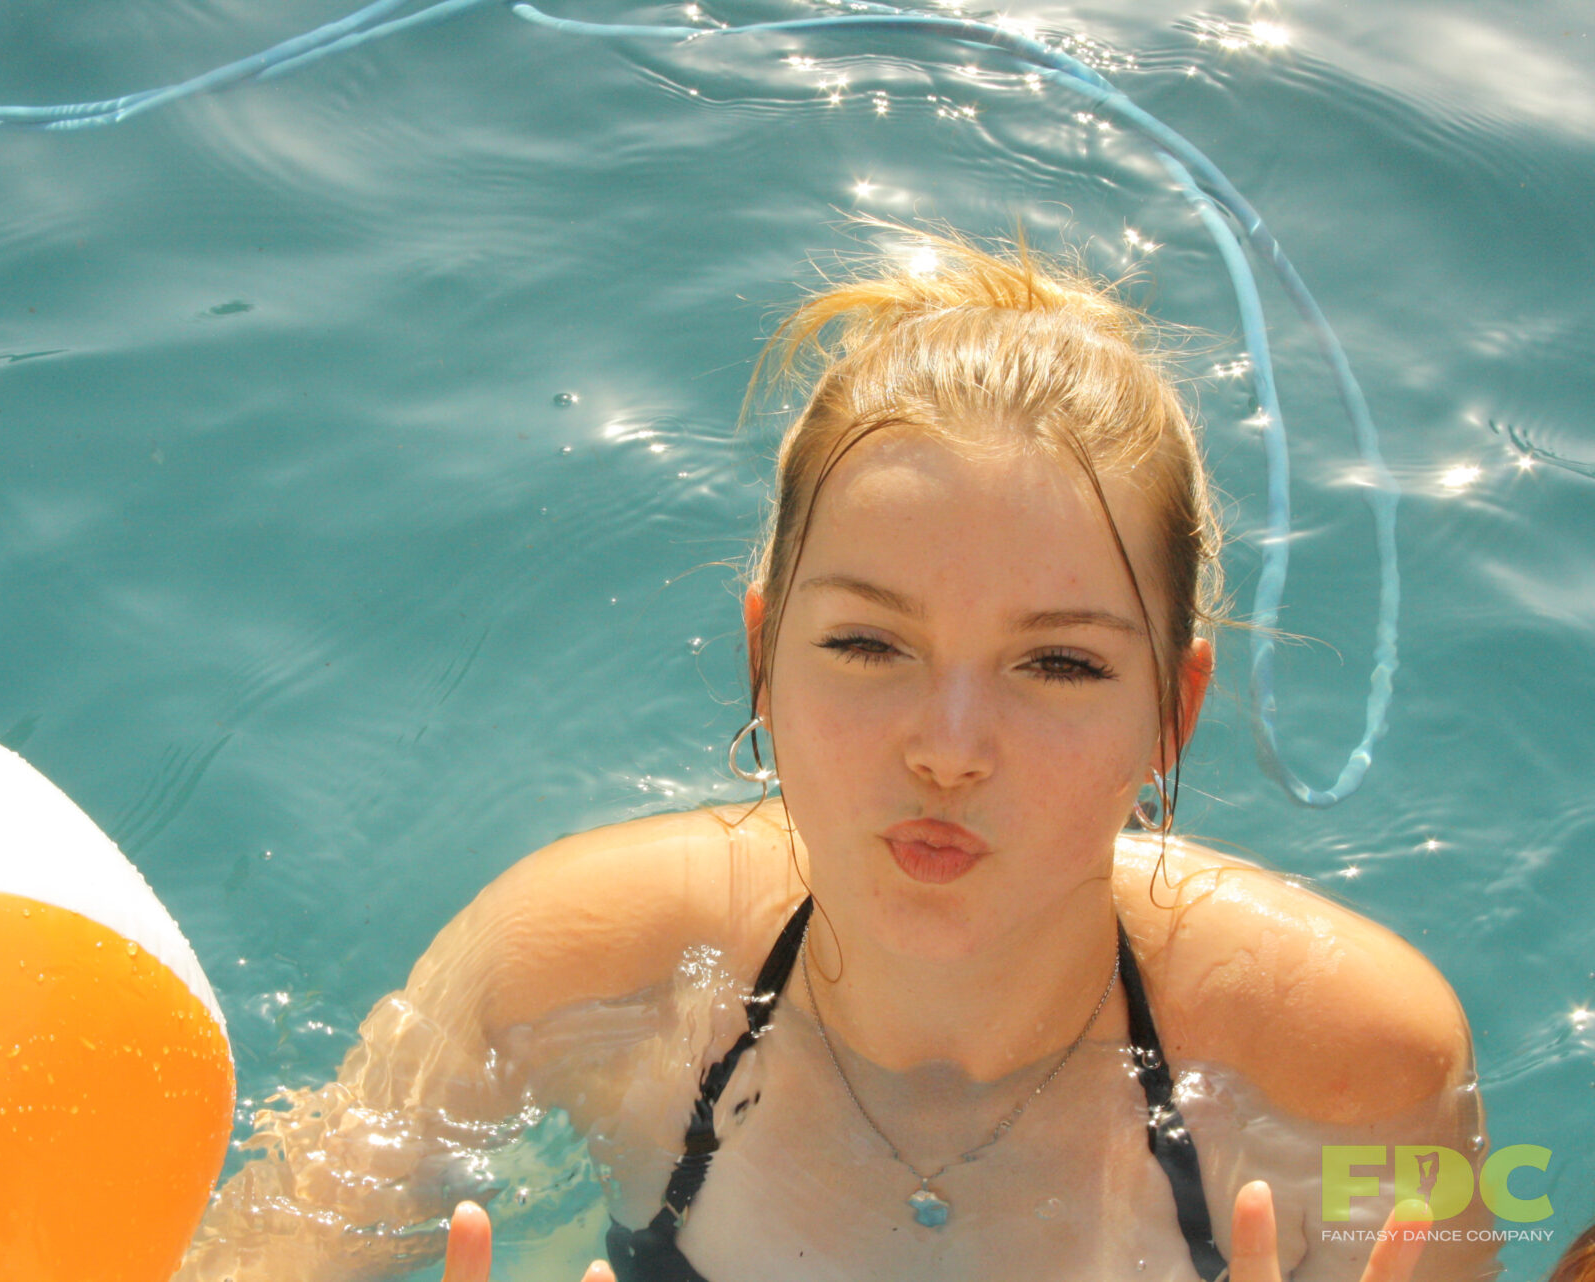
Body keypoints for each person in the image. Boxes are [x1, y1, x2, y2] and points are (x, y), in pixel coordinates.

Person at [173, 228, 1497, 1282]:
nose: (949, 749)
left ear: (1173, 713)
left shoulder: (1360, 1079)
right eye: (869, 645)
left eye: (1059, 664)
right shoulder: (569, 972)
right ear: (763, 656)